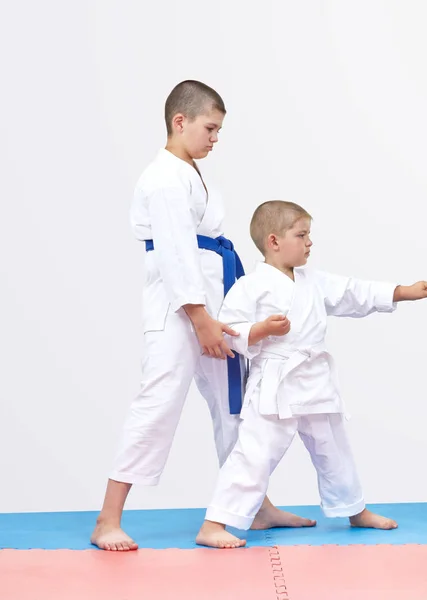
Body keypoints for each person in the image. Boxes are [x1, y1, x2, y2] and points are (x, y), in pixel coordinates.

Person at [91, 85, 314, 552]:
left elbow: (200, 252)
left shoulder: (190, 173)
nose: (215, 138)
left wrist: (219, 315)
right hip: (182, 313)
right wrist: (199, 319)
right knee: (158, 404)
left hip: (215, 309)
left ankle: (251, 505)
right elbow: (175, 254)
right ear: (180, 121)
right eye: (210, 128)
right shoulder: (164, 178)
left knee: (236, 406)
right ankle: (107, 519)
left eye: (218, 129)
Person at [196, 200, 427, 548]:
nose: (310, 242)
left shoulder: (314, 281)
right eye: (302, 235)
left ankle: (355, 509)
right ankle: (215, 524)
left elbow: (355, 292)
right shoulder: (250, 286)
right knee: (254, 454)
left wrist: (402, 292)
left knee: (335, 450)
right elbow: (229, 330)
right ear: (274, 242)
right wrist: (261, 330)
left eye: (309, 235)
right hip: (276, 386)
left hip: (315, 382)